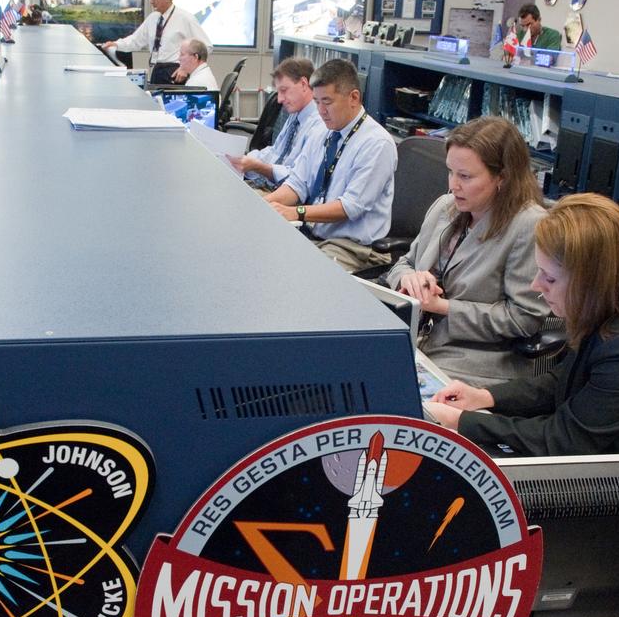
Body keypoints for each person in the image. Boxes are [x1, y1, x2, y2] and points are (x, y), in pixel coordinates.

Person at [426, 193, 619, 456]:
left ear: (592, 283)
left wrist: (461, 422)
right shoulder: (617, 308)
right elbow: (566, 380)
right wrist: (487, 397)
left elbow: (564, 441)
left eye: (549, 277)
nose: (536, 285)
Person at [386, 116, 548, 386]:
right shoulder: (445, 206)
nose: (453, 185)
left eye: (465, 176)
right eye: (451, 172)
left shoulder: (528, 225)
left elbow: (523, 319)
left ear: (502, 178)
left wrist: (443, 307)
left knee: (391, 391)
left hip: (475, 359)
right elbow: (403, 262)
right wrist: (408, 280)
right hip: (419, 339)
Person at [264, 59, 395, 273]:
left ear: (354, 98)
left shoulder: (377, 143)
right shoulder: (322, 132)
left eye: (327, 101)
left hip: (353, 248)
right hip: (313, 233)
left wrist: (296, 212)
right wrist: (264, 204)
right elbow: (297, 184)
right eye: (316, 102)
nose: (321, 110)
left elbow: (350, 207)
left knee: (299, 275)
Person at [226, 57, 324, 192]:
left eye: (284, 90)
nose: (279, 99)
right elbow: (275, 152)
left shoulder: (319, 125)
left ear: (303, 84)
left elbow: (299, 179)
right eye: (278, 92)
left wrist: (257, 166)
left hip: (287, 196)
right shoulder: (295, 115)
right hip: (269, 185)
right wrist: (241, 160)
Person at [102, 0, 211, 85]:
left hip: (175, 73)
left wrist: (185, 69)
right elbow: (135, 40)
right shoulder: (153, 18)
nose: (151, 1)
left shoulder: (185, 18)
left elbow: (206, 46)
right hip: (157, 69)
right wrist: (116, 44)